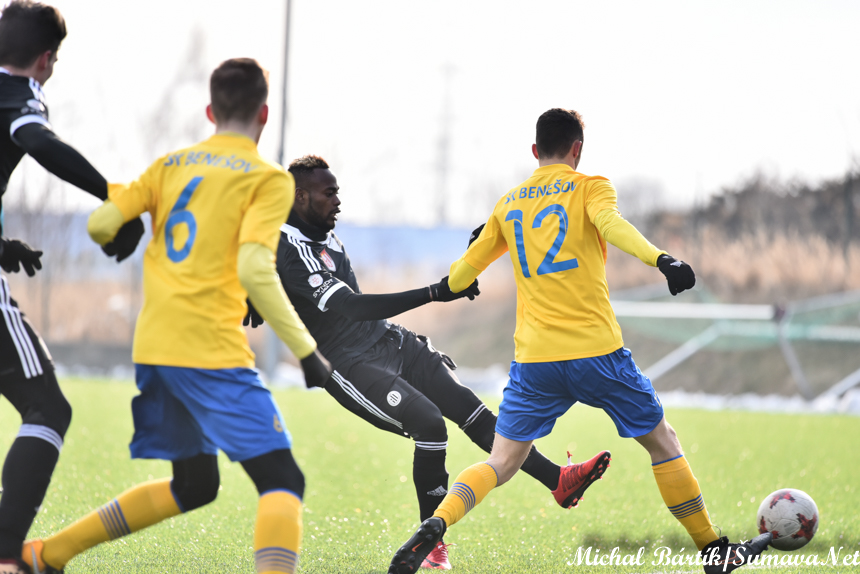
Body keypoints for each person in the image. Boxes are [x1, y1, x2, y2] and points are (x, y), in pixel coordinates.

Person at [389, 108, 772, 574]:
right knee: (662, 441)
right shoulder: (591, 186)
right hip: (597, 354)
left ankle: (438, 522)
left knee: (501, 462)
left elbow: (458, 279)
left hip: (535, 362)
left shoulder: (508, 204)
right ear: (577, 149)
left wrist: (479, 246)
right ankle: (713, 550)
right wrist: (662, 259)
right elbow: (612, 226)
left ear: (535, 150)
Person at [21, 58, 332, 574]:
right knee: (283, 480)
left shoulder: (170, 165)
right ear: (264, 114)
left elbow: (100, 223)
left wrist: (121, 229)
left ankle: (47, 554)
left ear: (211, 111)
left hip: (155, 349)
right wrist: (307, 352)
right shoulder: (268, 179)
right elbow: (255, 269)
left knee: (195, 485)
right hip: (210, 353)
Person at [248, 154, 611, 570]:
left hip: (391, 342)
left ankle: (559, 481)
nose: (337, 201)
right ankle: (431, 546)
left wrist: (255, 291)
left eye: (337, 193)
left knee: (471, 409)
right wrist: (435, 292)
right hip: (349, 365)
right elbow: (351, 306)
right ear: (300, 197)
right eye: (329, 193)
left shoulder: (321, 236)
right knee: (430, 424)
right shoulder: (289, 247)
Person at [0, 2, 143, 572]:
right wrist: (115, 196)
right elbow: (35, 138)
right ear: (46, 60)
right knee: (47, 407)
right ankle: (6, 558)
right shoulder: (20, 94)